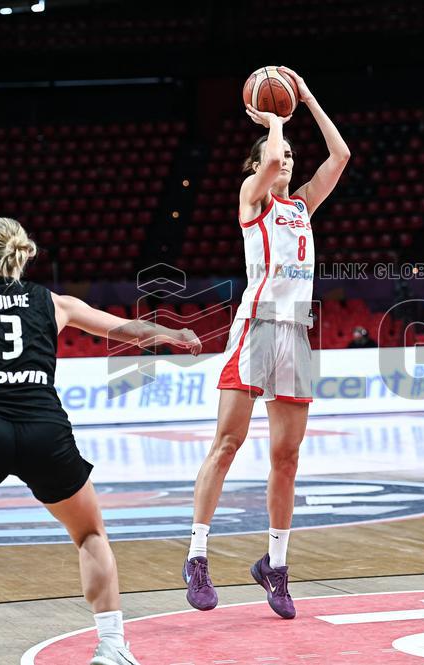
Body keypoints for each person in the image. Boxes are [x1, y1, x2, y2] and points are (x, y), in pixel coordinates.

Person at [0, 218, 201, 665]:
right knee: (90, 534)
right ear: (23, 257)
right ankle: (111, 647)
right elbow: (121, 330)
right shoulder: (54, 303)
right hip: (43, 430)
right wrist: (172, 333)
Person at [184, 67, 349, 620]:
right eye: (278, 158)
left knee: (287, 458)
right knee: (226, 445)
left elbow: (341, 155)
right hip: (255, 329)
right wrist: (276, 120)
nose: (288, 163)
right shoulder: (251, 199)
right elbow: (274, 160)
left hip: (295, 336)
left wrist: (307, 98)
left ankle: (275, 566)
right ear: (254, 168)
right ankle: (198, 556)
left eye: (291, 160)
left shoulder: (301, 207)